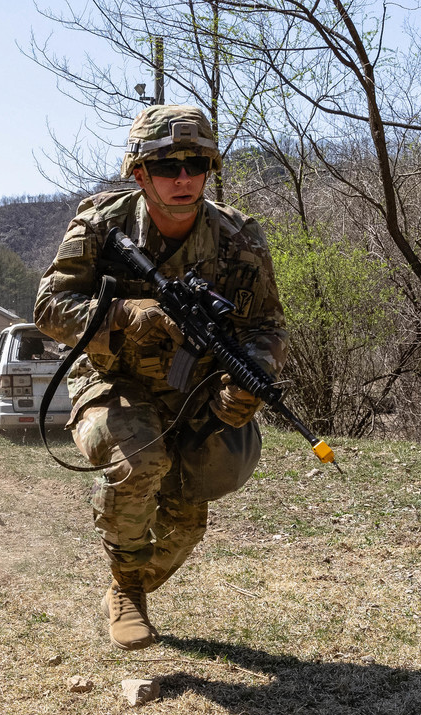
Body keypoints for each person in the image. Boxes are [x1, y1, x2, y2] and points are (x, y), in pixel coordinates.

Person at [35, 104, 288, 651]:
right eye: (167, 166)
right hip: (111, 378)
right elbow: (49, 308)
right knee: (140, 462)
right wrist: (124, 315)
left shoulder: (239, 238)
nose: (183, 179)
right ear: (139, 172)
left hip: (193, 387)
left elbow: (266, 325)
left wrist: (248, 380)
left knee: (188, 517)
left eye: (195, 165)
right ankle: (129, 591)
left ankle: (126, 581)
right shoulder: (102, 224)